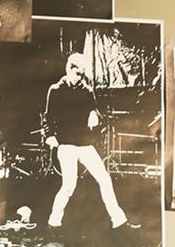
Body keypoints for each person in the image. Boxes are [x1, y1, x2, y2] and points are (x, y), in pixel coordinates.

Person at [43, 51, 130, 234]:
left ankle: (119, 221)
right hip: (66, 145)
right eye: (77, 73)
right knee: (69, 186)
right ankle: (53, 223)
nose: (79, 77)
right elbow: (48, 118)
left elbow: (94, 111)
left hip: (84, 144)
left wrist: (94, 116)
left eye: (82, 73)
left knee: (105, 179)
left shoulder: (87, 90)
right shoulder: (56, 89)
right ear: (69, 68)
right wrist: (50, 136)